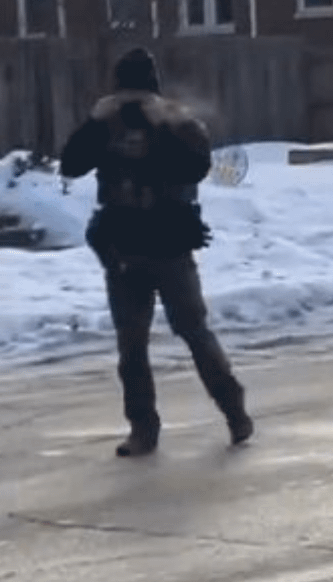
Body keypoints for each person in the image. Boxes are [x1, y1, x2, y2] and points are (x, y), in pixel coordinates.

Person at [59, 48, 253, 456]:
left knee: (193, 331)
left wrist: (163, 126)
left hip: (169, 246)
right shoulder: (107, 125)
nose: (131, 104)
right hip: (123, 249)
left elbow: (195, 166)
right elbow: (71, 164)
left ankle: (233, 408)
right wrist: (95, 121)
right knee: (131, 345)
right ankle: (142, 428)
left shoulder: (178, 124)